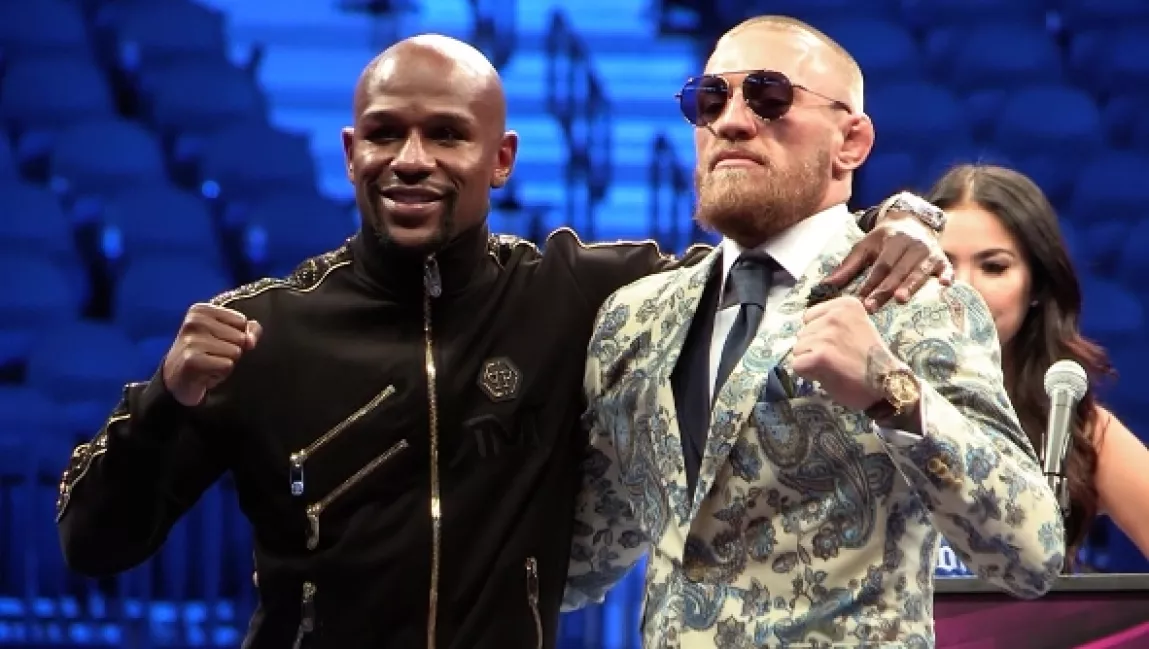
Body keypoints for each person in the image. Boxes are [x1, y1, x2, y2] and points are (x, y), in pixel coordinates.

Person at [54, 35, 950, 649]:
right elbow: (93, 542)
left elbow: (768, 253)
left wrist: (906, 215)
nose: (411, 159)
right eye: (385, 134)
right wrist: (163, 403)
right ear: (350, 151)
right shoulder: (264, 330)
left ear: (501, 157)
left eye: (446, 134)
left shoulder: (582, 294)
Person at [564, 16, 1065, 647]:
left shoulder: (918, 301)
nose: (731, 121)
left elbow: (1031, 554)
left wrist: (891, 390)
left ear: (851, 141)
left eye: (769, 97)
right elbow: (576, 559)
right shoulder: (635, 318)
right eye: (709, 99)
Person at [928, 164, 1149, 565]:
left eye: (993, 267)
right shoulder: (864, 406)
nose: (963, 289)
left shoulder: (1076, 429)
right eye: (941, 265)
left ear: (1037, 286)